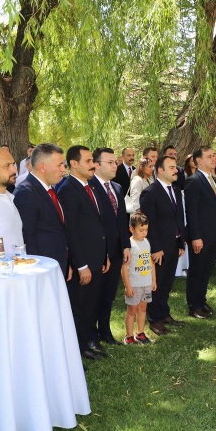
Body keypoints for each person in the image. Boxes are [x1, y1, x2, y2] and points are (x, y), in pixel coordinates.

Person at [57, 145, 111, 361]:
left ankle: (90, 341)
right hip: (84, 263)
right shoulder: (67, 190)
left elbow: (98, 224)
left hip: (97, 258)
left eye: (93, 161)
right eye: (88, 161)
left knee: (92, 304)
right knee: (79, 307)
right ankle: (78, 349)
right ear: (74, 163)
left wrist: (105, 255)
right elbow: (71, 231)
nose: (93, 165)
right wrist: (81, 265)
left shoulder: (92, 186)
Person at [139, 155, 187, 335]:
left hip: (174, 245)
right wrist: (156, 248)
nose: (176, 170)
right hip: (159, 247)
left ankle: (164, 313)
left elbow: (179, 218)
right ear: (160, 170)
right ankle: (154, 319)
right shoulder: (150, 193)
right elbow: (148, 224)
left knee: (167, 283)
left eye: (176, 167)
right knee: (156, 284)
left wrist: (181, 241)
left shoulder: (176, 190)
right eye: (172, 167)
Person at [90, 147, 131, 345]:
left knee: (109, 295)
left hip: (116, 251)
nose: (115, 165)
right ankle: (91, 334)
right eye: (110, 162)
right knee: (95, 295)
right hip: (98, 252)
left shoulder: (117, 188)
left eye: (116, 162)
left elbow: (121, 220)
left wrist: (126, 245)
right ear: (96, 165)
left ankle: (105, 331)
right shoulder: (89, 188)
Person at [13, 143, 70, 276]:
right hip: (42, 269)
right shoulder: (25, 193)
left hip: (58, 264)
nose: (63, 170)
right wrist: (38, 272)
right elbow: (27, 238)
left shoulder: (50, 189)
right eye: (59, 165)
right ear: (42, 167)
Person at [183, 146, 216, 318]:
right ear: (199, 160)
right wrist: (196, 237)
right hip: (200, 236)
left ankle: (201, 300)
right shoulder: (194, 181)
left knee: (206, 271)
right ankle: (193, 306)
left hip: (213, 234)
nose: (214, 159)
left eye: (214, 155)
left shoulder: (214, 180)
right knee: (196, 271)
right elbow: (191, 212)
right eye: (209, 156)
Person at [122, 213, 156, 345]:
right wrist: (128, 286)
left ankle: (140, 334)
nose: (144, 233)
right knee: (132, 311)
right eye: (141, 230)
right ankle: (129, 336)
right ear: (131, 229)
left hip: (146, 284)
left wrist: (153, 280)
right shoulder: (130, 245)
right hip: (134, 285)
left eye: (146, 230)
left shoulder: (146, 242)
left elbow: (151, 263)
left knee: (142, 309)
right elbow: (124, 268)